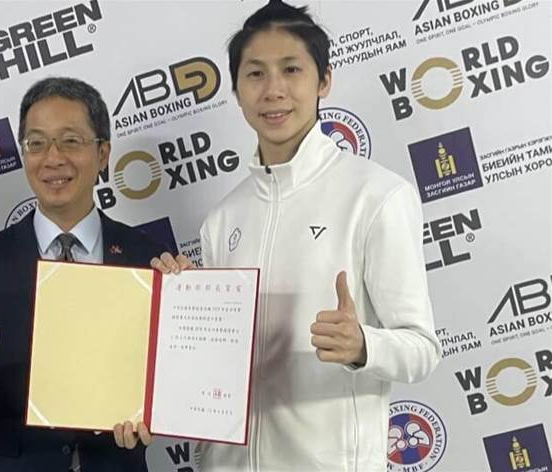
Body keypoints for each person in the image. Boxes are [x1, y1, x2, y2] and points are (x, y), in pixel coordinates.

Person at [154, 1, 441, 470]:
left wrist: (363, 344)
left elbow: (422, 349)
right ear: (236, 90)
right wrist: (182, 309)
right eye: (255, 74)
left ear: (323, 80)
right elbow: (217, 365)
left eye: (291, 70)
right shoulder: (222, 219)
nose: (273, 91)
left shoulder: (376, 195)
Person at [0, 77, 163, 471]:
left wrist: (155, 412)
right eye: (37, 143)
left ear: (103, 153)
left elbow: (168, 379)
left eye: (71, 141)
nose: (53, 158)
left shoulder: (147, 258)